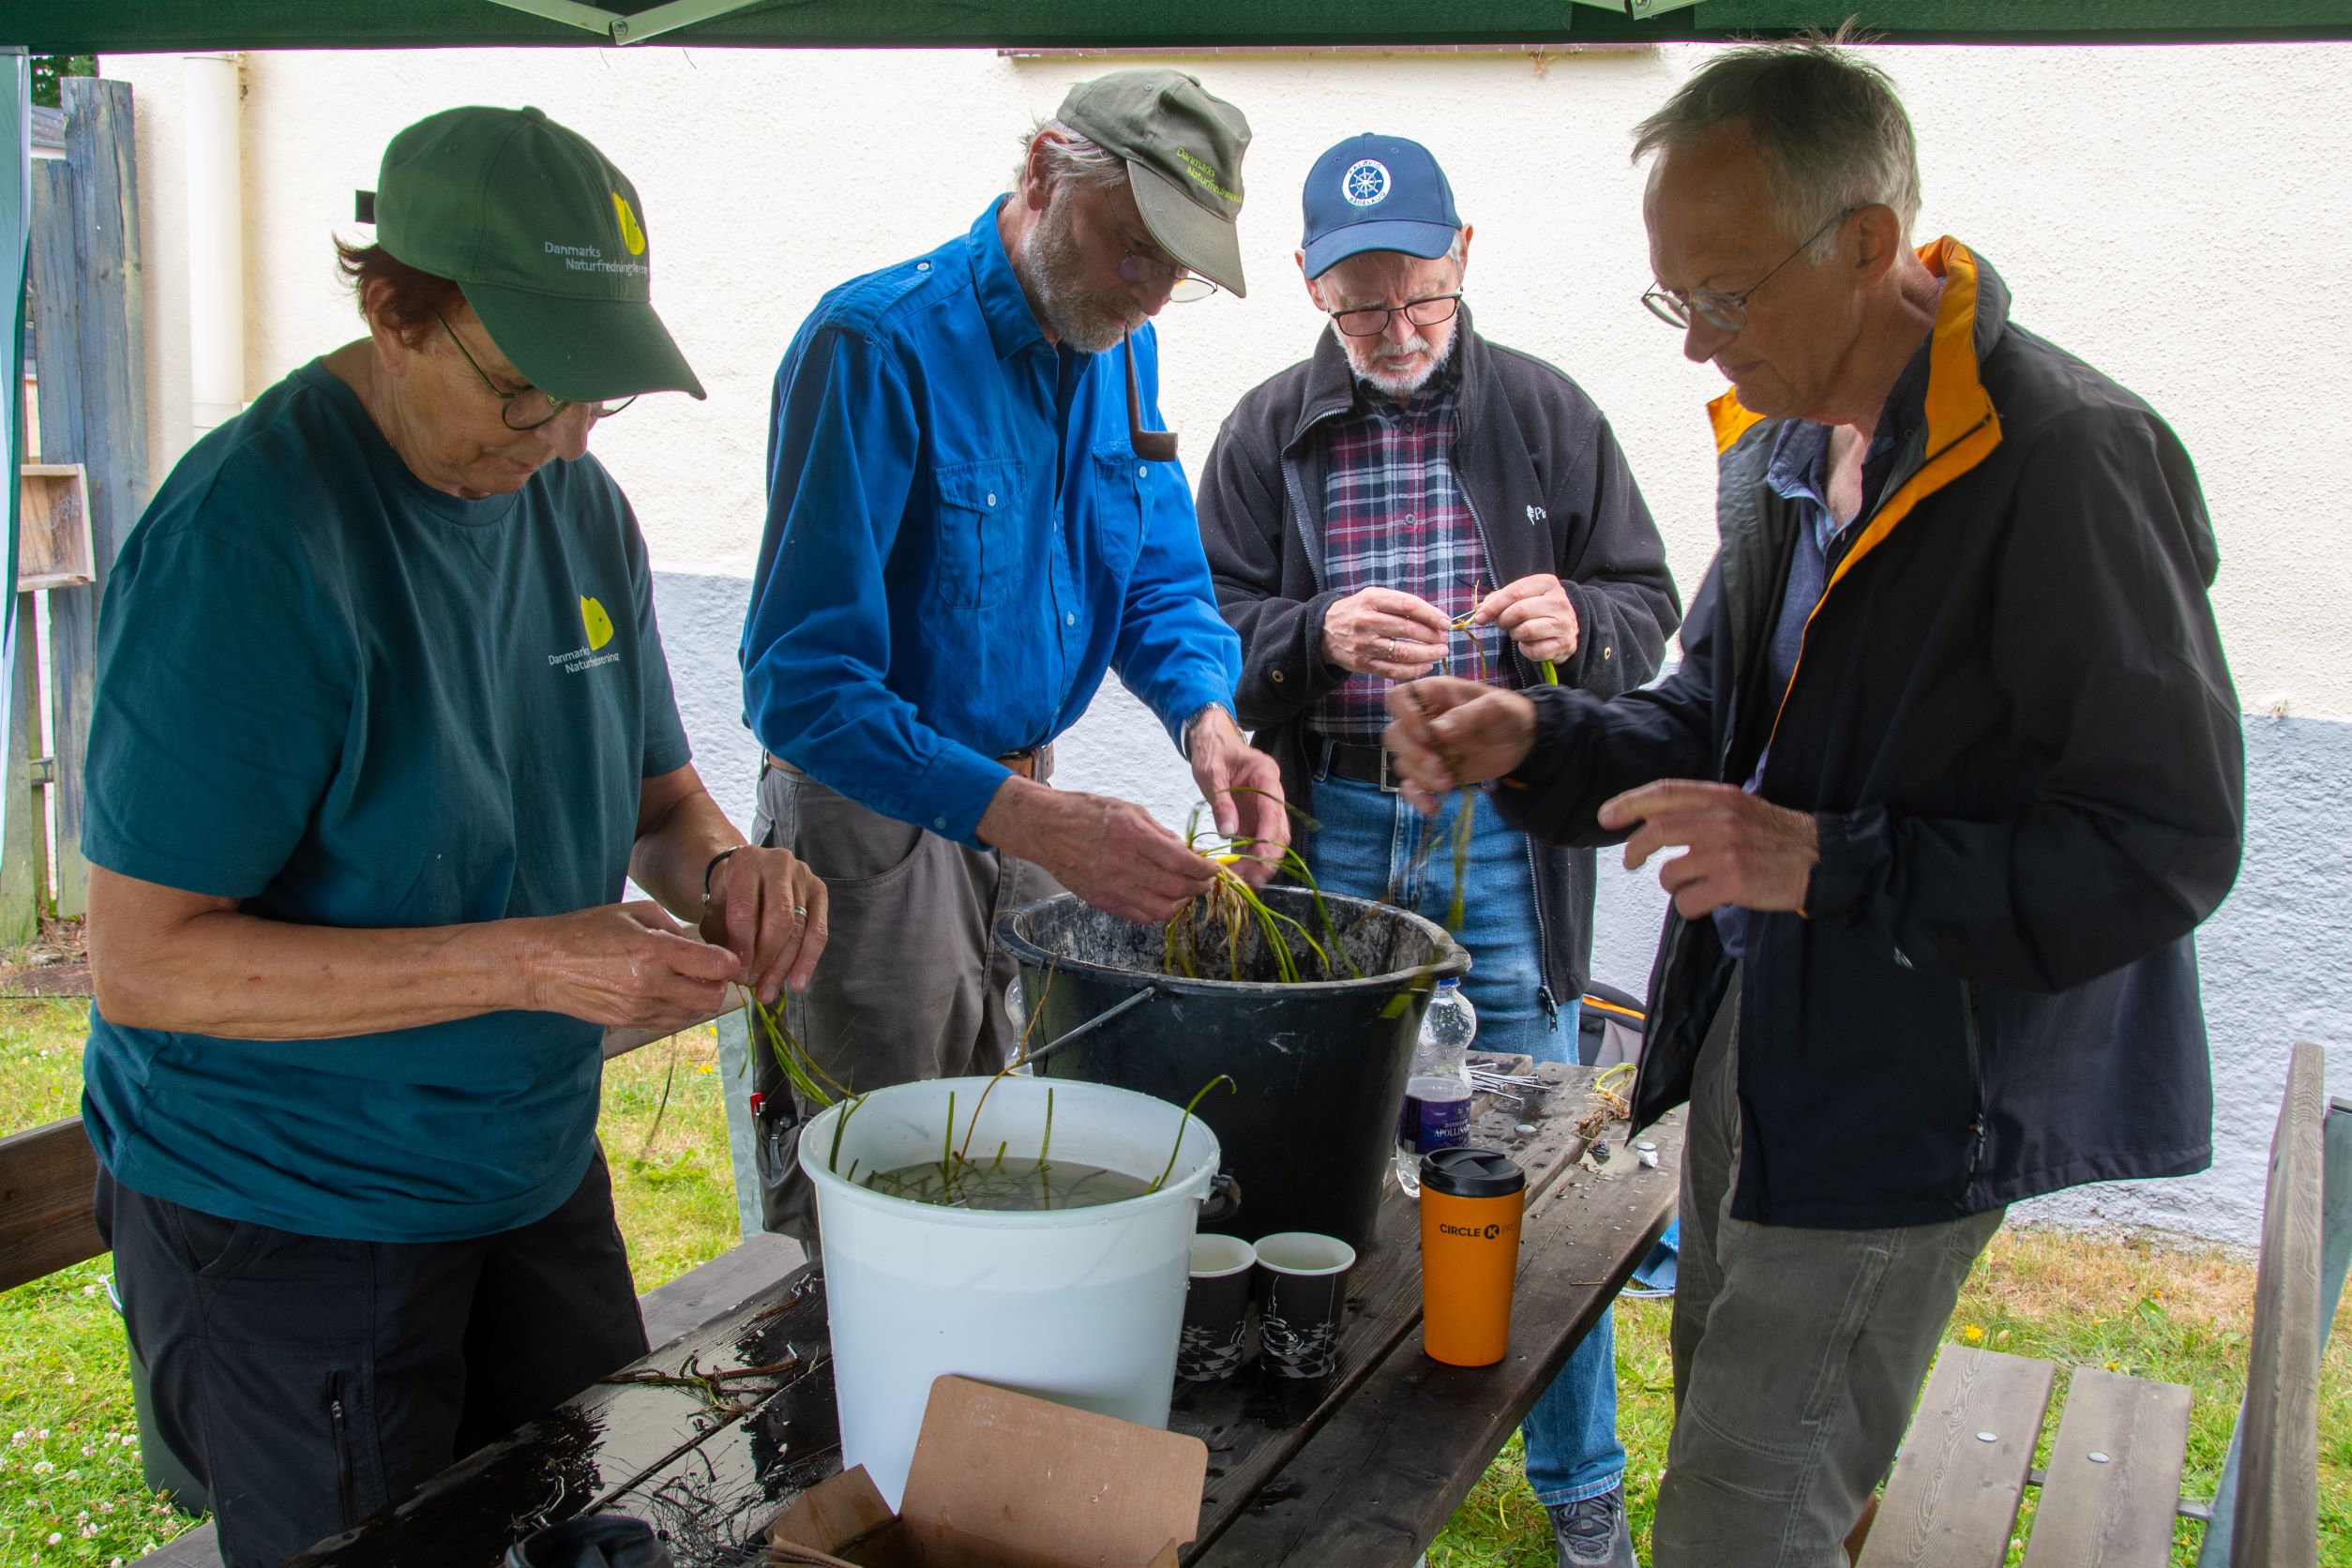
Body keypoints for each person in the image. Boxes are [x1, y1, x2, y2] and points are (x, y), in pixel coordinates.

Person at [1383, 41, 2243, 1568]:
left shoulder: (2064, 461)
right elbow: (1697, 720)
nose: (1694, 346)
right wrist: (1533, 736)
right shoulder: (1787, 451)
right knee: (1748, 1436)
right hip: (1755, 1054)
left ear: (1866, 243)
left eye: (1722, 296)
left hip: (1898, 1113)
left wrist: (1829, 864)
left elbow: (2162, 840)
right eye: (1673, 299)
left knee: (1736, 1520)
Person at [78, 107, 827, 1568]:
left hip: (525, 1166)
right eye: (521, 390)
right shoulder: (250, 545)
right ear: (391, 311)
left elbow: (658, 807)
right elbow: (147, 965)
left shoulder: (578, 510)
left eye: (594, 400)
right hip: (294, 1202)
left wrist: (731, 872)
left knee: (597, 1521)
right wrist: (532, 962)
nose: (553, 437)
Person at [1197, 134, 1680, 1568]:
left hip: (1504, 833)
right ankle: (1325, 1441)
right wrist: (1310, 635)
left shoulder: (1547, 413)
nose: (1396, 334)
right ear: (1307, 284)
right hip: (1335, 818)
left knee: (1517, 1157)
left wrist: (1576, 629)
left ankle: (1578, 1484)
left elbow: (1650, 607)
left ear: (1463, 253)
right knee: (1325, 1143)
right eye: (1360, 309)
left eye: (1421, 301)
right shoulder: (1266, 427)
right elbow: (1192, 638)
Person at [739, 69, 1287, 1244]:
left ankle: (965, 1419)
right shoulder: (874, 346)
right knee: (872, 1181)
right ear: (1040, 171)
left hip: (1030, 810)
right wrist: (1030, 820)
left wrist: (1207, 717)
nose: (1145, 293)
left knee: (1002, 1165)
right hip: (872, 831)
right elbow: (801, 682)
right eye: (1129, 247)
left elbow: (1154, 573)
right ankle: (831, 1425)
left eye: (1173, 273)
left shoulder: (1119, 349)